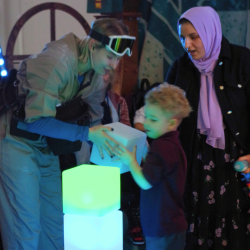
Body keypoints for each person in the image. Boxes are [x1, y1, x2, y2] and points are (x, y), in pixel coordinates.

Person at [0, 18, 135, 250]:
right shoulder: (57, 61)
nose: (114, 65)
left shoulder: (96, 75)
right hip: (16, 141)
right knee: (26, 227)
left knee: (55, 225)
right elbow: (35, 121)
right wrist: (88, 134)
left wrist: (100, 161)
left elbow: (92, 121)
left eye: (118, 59)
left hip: (47, 146)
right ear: (93, 46)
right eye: (110, 57)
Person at [165, 6, 250, 249]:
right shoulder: (181, 67)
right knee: (199, 220)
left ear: (209, 32)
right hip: (197, 159)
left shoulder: (242, 62)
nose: (187, 44)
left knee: (235, 223)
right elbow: (164, 111)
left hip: (236, 159)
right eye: (183, 37)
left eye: (194, 36)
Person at [114, 83, 192, 250]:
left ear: (171, 123)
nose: (146, 123)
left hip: (162, 226)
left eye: (153, 119)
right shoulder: (172, 144)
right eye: (146, 116)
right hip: (170, 225)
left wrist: (130, 161)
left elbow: (144, 181)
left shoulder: (162, 147)